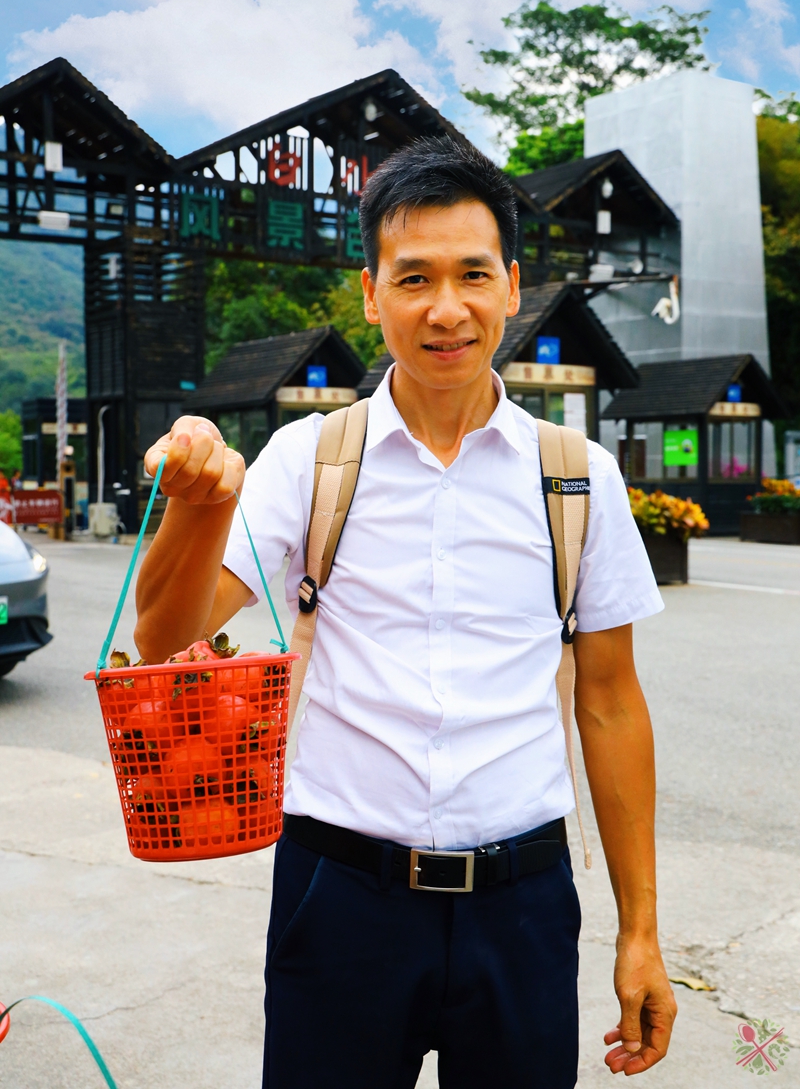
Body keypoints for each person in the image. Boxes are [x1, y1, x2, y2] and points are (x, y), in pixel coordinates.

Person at [135, 135, 677, 1088]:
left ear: (513, 287)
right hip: (339, 896)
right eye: (414, 277)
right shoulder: (309, 460)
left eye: (473, 274)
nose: (446, 309)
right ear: (370, 293)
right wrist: (201, 500)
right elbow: (162, 640)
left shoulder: (576, 476)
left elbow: (609, 701)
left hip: (524, 903)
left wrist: (641, 932)